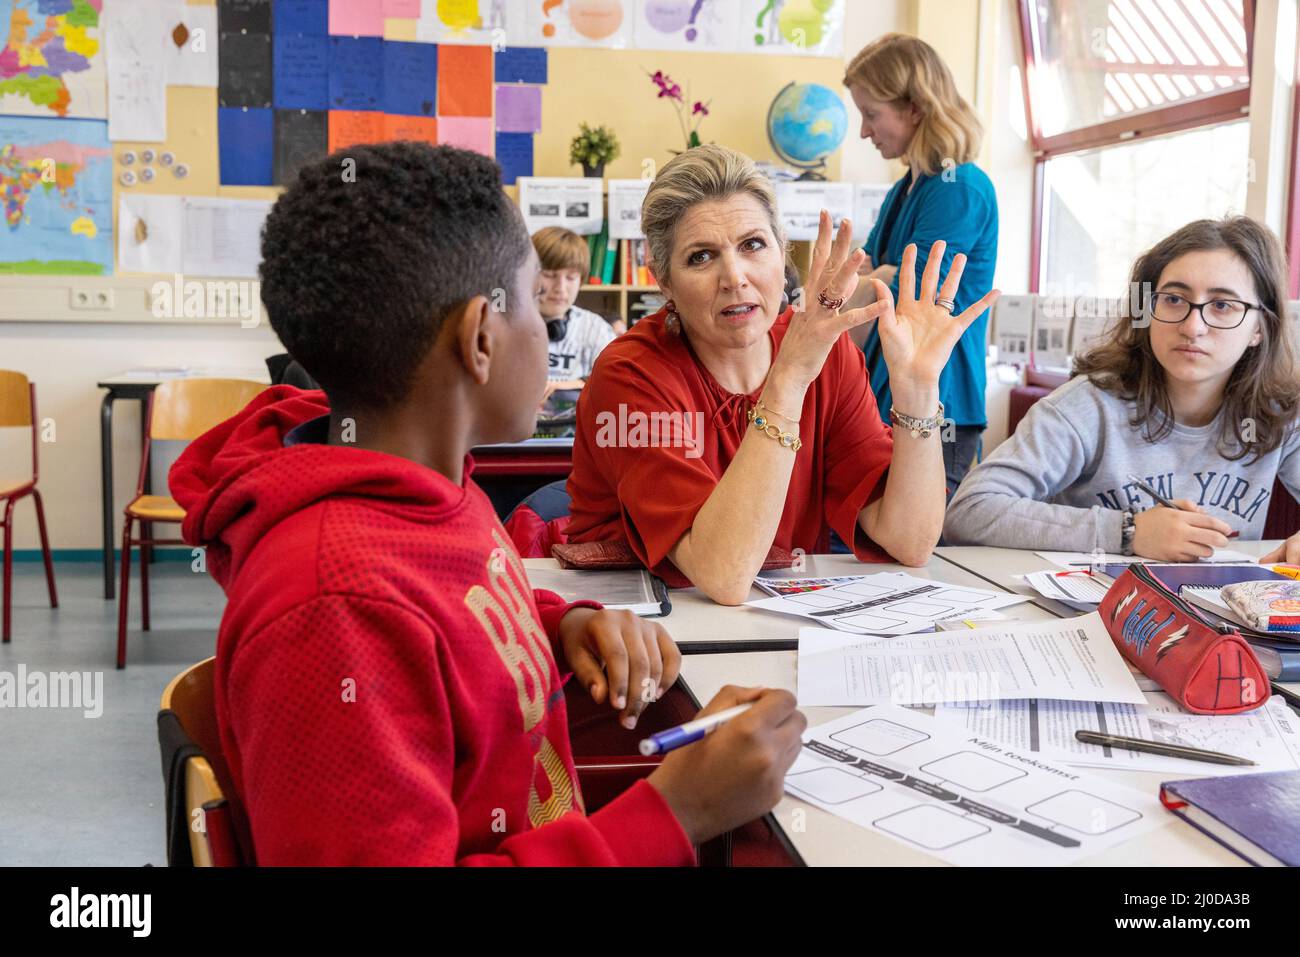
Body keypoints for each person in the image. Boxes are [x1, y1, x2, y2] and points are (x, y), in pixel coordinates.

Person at [168, 142, 806, 865]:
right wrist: (677, 810)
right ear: (479, 338)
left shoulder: (435, 490)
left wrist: (561, 627)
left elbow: (452, 614)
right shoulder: (334, 607)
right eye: (537, 302)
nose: (553, 329)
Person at [565, 144, 999, 604]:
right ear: (663, 280)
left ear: (782, 251)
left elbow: (909, 542)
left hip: (773, 629)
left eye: (753, 245)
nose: (734, 277)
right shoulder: (629, 374)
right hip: (641, 640)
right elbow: (725, 575)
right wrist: (789, 378)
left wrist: (915, 391)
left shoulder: (826, 355)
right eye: (700, 257)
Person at [944, 216, 1300, 564]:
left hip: (1223, 613)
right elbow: (970, 510)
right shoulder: (1086, 406)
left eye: (1222, 306)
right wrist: (1126, 532)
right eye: (1174, 299)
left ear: (1260, 328)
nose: (1193, 327)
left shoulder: (1281, 412)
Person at [843, 33, 999, 495]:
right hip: (887, 392)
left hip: (938, 403)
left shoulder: (958, 188)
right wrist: (876, 280)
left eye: (872, 115)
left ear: (914, 107)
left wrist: (877, 282)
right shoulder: (905, 189)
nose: (865, 132)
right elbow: (863, 275)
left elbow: (905, 298)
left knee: (910, 548)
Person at [532, 226, 617, 436]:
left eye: (571, 278)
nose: (561, 288)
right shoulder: (506, 326)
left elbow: (620, 384)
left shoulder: (595, 329)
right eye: (550, 275)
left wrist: (581, 385)